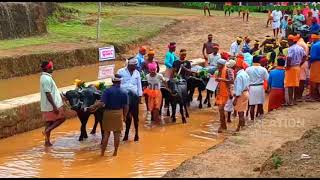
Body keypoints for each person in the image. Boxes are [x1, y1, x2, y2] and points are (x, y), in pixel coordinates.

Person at [88, 75, 129, 156]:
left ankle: (102, 153)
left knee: (106, 134)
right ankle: (115, 153)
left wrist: (94, 106)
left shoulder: (107, 91)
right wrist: (124, 116)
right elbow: (126, 106)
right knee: (117, 133)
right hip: (118, 113)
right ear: (120, 82)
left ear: (112, 81)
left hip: (108, 113)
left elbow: (102, 103)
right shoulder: (124, 92)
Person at [40, 60, 66, 147]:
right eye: (51, 67)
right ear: (48, 68)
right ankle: (47, 131)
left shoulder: (44, 77)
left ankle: (47, 142)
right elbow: (48, 93)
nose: (53, 68)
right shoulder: (46, 79)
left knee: (49, 123)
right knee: (62, 118)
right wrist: (54, 106)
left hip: (47, 105)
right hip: (52, 105)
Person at [117, 57, 143, 141]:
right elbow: (117, 83)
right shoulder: (120, 71)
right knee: (119, 114)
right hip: (122, 95)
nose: (135, 67)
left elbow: (139, 85)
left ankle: (136, 133)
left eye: (136, 65)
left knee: (135, 117)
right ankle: (121, 131)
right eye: (134, 65)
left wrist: (140, 96)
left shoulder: (137, 73)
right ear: (129, 65)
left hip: (134, 96)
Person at [285, 34, 307, 105]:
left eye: (288, 41)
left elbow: (289, 58)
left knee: (290, 85)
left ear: (291, 41)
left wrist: (287, 66)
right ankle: (295, 100)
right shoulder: (300, 48)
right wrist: (300, 64)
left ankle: (290, 101)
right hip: (298, 67)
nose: (288, 43)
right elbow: (305, 56)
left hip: (291, 68)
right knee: (296, 84)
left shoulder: (291, 48)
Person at [245, 56, 269, 121]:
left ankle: (252, 120)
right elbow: (267, 79)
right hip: (260, 87)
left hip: (251, 88)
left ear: (253, 61)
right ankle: (260, 119)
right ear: (259, 61)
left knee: (252, 105)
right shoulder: (263, 69)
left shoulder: (248, 69)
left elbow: (246, 79)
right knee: (260, 104)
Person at [215, 58, 234, 133]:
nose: (217, 65)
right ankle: (223, 126)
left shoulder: (228, 70)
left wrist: (222, 80)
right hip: (220, 93)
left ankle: (222, 126)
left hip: (227, 93)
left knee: (223, 110)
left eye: (218, 64)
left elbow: (232, 81)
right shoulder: (218, 71)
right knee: (220, 110)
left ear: (222, 65)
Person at [233, 58, 250, 132]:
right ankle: (240, 128)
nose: (234, 69)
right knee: (242, 112)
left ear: (238, 67)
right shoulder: (245, 73)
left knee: (240, 113)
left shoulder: (239, 76)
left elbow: (239, 89)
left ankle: (240, 129)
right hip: (246, 93)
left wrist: (235, 99)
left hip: (241, 95)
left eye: (235, 67)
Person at [307, 33, 320, 101]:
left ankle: (314, 96)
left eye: (312, 38)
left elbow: (313, 57)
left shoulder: (315, 46)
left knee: (314, 80)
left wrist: (309, 58)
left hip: (316, 64)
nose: (312, 40)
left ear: (315, 38)